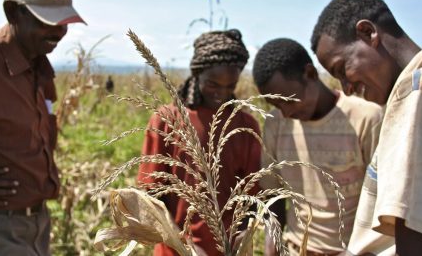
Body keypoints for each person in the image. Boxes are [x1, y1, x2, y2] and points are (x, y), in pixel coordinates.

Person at [311, 0, 422, 256]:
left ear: (368, 33)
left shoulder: (421, 90)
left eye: (343, 69)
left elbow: (420, 245)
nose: (347, 89)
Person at [0, 0, 85, 255]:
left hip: (38, 226)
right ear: (13, 12)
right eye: (46, 21)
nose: (58, 31)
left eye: (63, 22)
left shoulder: (40, 67)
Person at [252, 38, 383, 256]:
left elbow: (384, 200)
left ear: (310, 74)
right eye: (277, 105)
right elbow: (273, 198)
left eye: (290, 100)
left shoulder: (366, 118)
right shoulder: (276, 124)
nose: (287, 113)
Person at [137, 29, 261, 256]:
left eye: (230, 86)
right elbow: (151, 195)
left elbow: (250, 195)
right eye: (213, 84)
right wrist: (183, 245)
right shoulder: (167, 119)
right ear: (196, 75)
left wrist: (242, 237)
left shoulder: (245, 125)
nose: (221, 94)